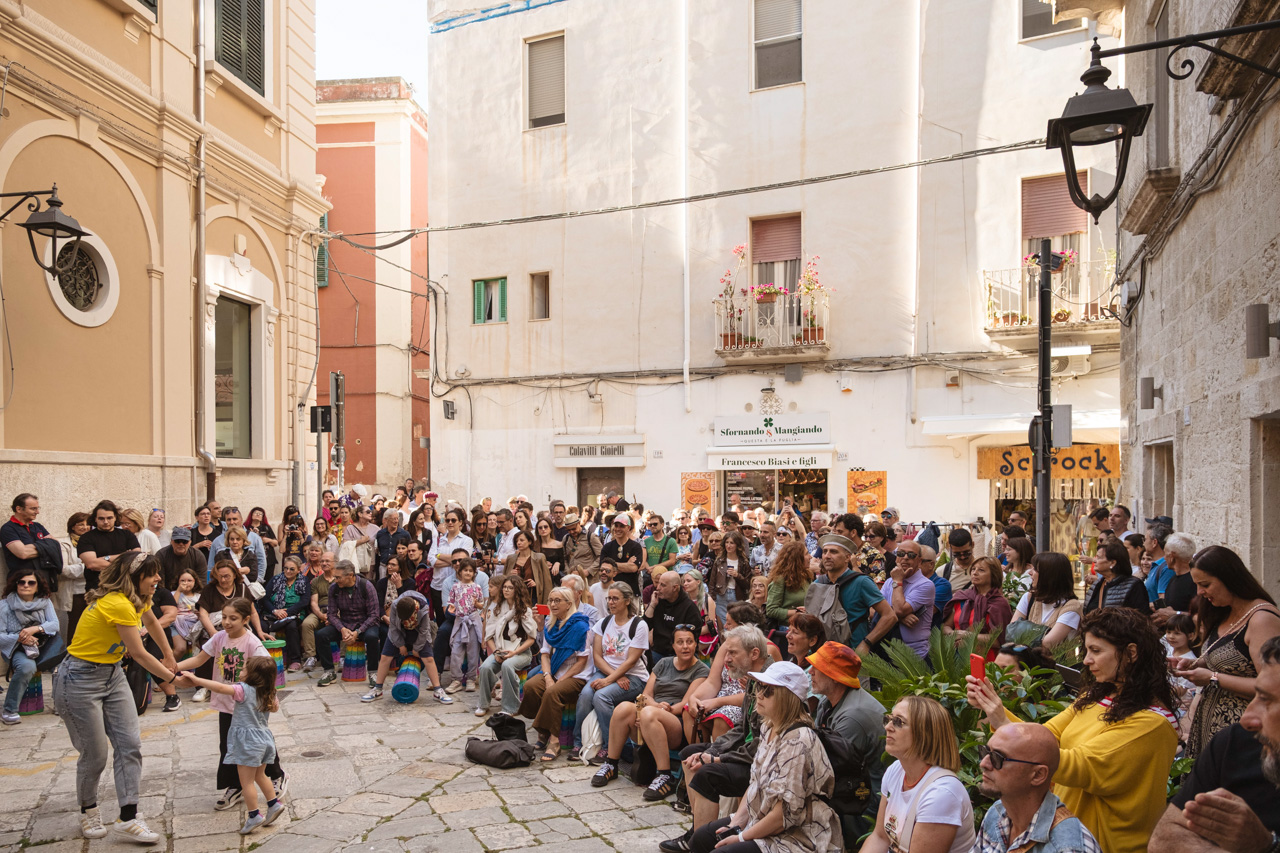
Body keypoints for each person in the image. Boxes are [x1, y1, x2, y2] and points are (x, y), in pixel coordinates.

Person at [968, 606, 1179, 853]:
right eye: (1087, 650)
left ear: (1131, 653)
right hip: (1062, 832)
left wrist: (1001, 719)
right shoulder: (1096, 696)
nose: (1086, 660)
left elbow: (1079, 766)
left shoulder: (1153, 724)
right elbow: (1044, 737)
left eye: (1096, 651)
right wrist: (994, 709)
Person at [56, 552, 177, 843]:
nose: (158, 579)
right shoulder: (118, 603)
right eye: (152, 574)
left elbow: (152, 622)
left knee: (130, 745)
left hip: (112, 674)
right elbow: (139, 653)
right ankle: (88, 809)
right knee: (95, 755)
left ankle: (129, 817)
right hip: (79, 679)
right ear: (135, 577)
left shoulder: (137, 599)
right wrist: (172, 678)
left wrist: (169, 654)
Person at [682, 661, 842, 853]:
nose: (758, 694)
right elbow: (755, 784)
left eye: (768, 690)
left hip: (797, 835)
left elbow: (784, 816)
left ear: (787, 697)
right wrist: (735, 824)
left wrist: (741, 837)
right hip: (762, 815)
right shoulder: (768, 726)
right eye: (758, 686)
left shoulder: (798, 741)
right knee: (701, 838)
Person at [1150, 635, 1280, 852]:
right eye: (1256, 694)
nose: (1247, 719)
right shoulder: (1235, 743)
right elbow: (1164, 839)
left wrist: (1267, 847)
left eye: (1267, 700)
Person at [175, 596, 289, 811]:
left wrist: (270, 697)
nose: (227, 622)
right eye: (224, 617)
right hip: (226, 701)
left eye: (233, 618)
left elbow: (268, 670)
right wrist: (174, 667)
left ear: (245, 619)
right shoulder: (219, 638)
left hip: (248, 705)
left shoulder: (252, 643)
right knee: (228, 746)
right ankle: (235, 785)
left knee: (257, 743)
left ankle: (277, 774)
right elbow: (199, 660)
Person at [663, 626, 771, 847]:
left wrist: (717, 759)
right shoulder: (754, 678)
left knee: (706, 773)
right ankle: (697, 832)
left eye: (733, 653)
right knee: (689, 755)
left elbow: (763, 745)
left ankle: (703, 843)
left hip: (762, 765)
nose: (726, 659)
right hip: (748, 754)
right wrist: (711, 751)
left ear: (754, 654)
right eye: (726, 652)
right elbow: (742, 729)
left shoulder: (770, 684)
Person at [1176, 545, 1280, 759]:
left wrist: (1212, 678)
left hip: (1242, 737)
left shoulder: (1261, 619)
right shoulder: (1224, 611)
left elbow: (1271, 687)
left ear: (1229, 578)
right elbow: (1232, 659)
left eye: (1205, 585)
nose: (1200, 592)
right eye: (1197, 585)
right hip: (1212, 733)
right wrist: (1197, 664)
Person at [592, 624, 710, 800]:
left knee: (648, 714)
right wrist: (654, 707)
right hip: (652, 712)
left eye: (689, 642)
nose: (685, 646)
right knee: (623, 708)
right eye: (680, 642)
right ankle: (611, 764)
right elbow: (646, 695)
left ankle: (665, 776)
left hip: (677, 722)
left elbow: (686, 703)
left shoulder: (701, 670)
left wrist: (656, 710)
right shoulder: (663, 663)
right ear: (673, 645)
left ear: (695, 644)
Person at [176, 657, 286, 834]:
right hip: (265, 739)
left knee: (246, 782)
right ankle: (274, 804)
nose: (240, 672)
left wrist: (197, 680)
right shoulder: (269, 692)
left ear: (253, 675)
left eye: (244, 669)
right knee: (261, 775)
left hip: (248, 743)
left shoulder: (243, 690)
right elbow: (274, 708)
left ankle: (254, 815)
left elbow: (219, 688)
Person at [861, 695, 976, 853]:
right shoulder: (896, 770)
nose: (888, 727)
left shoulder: (941, 793)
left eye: (898, 722)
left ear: (924, 734)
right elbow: (880, 837)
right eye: (889, 719)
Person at [974, 722, 1102, 853]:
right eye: (984, 752)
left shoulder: (1068, 847)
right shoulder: (997, 814)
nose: (983, 763)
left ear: (1038, 775)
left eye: (997, 758)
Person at [806, 641, 885, 837]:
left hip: (865, 805)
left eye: (817, 667)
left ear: (835, 677)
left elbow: (827, 771)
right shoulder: (827, 701)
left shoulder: (852, 717)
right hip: (849, 788)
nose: (810, 672)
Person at [517, 586, 591, 761]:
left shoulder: (580, 626)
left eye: (557, 601)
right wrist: (548, 676)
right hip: (555, 671)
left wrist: (559, 680)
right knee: (530, 686)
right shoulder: (551, 624)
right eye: (550, 600)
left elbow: (581, 662)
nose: (553, 604)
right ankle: (543, 730)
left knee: (552, 692)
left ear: (569, 604)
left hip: (576, 675)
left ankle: (554, 741)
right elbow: (544, 655)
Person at [579, 582, 650, 765]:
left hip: (634, 677)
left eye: (615, 598)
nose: (610, 602)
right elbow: (597, 656)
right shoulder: (603, 623)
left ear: (627, 601)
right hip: (609, 672)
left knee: (601, 697)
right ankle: (579, 742)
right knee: (586, 694)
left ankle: (613, 747)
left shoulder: (638, 625)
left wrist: (610, 680)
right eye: (609, 598)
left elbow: (631, 660)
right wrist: (614, 677)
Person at [361, 589, 450, 704]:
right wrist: (401, 645)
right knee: (385, 657)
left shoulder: (423, 608)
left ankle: (438, 690)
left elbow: (424, 631)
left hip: (418, 633)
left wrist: (417, 648)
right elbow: (393, 628)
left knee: (429, 659)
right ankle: (377, 689)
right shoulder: (395, 606)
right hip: (398, 632)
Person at [813, 534, 896, 656]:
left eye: (833, 552)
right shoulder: (818, 584)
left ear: (847, 558)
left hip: (854, 654)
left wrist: (867, 643)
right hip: (823, 653)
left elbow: (890, 616)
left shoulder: (861, 582)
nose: (827, 556)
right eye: (825, 552)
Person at [0, 567, 63, 725]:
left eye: (31, 583)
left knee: (64, 666)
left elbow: (54, 624)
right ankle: (9, 710)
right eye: (21, 582)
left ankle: (60, 704)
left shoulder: (45, 602)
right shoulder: (4, 605)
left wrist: (35, 629)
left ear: (37, 586)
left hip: (43, 645)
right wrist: (21, 638)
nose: (26, 585)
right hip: (17, 648)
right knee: (27, 667)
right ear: (16, 584)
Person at [475, 575, 538, 717]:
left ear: (517, 590)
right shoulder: (498, 609)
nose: (506, 590)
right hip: (501, 650)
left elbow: (531, 639)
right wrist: (497, 652)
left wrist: (513, 653)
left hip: (521, 652)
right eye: (504, 587)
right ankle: (483, 704)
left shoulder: (524, 610)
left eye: (510, 587)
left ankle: (510, 707)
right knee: (485, 667)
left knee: (507, 665)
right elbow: (489, 636)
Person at [314, 560, 381, 687]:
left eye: (338, 577)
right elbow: (331, 614)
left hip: (365, 625)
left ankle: (373, 672)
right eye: (335, 577)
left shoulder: (366, 586)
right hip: (345, 624)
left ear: (350, 575)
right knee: (321, 635)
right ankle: (329, 671)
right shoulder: (334, 588)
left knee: (372, 637)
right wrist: (342, 629)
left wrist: (358, 632)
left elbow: (374, 615)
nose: (336, 580)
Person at [76, 500, 140, 629]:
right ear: (95, 519)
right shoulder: (86, 538)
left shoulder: (127, 535)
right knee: (99, 627)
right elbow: (92, 564)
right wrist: (124, 558)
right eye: (101, 518)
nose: (106, 522)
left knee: (129, 626)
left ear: (116, 517)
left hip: (126, 588)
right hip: (98, 590)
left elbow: (137, 559)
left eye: (109, 518)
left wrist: (107, 558)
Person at [1011, 552, 1083, 649]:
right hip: (1024, 658)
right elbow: (1011, 631)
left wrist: (1023, 633)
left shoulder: (1072, 606)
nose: (1029, 572)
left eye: (1035, 569)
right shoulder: (1029, 597)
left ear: (1049, 576)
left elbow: (1048, 643)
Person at [944, 556, 1012, 652]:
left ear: (994, 575)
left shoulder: (999, 604)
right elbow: (946, 626)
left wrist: (967, 636)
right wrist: (953, 635)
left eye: (981, 570)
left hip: (986, 658)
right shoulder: (963, 597)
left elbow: (999, 640)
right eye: (973, 569)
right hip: (956, 655)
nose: (975, 573)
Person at [880, 539, 934, 658]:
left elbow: (900, 609)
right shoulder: (889, 582)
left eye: (911, 555)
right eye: (900, 554)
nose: (905, 558)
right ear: (896, 558)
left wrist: (898, 581)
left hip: (915, 655)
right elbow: (873, 611)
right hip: (887, 650)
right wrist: (901, 619)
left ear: (919, 561)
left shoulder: (926, 585)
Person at [261, 556, 310, 670]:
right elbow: (265, 599)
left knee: (291, 626)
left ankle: (295, 660)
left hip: (294, 614)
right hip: (274, 613)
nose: (288, 571)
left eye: (292, 569)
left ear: (299, 570)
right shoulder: (275, 579)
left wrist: (287, 612)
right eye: (285, 568)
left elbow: (304, 601)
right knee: (262, 626)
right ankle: (263, 659)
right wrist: (275, 611)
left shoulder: (304, 581)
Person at [646, 569, 704, 663]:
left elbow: (692, 638)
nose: (658, 588)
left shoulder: (689, 608)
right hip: (658, 651)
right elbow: (645, 626)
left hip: (679, 654)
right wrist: (652, 605)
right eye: (658, 583)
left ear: (675, 588)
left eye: (663, 585)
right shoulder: (657, 601)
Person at [445, 559, 485, 693]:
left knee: (473, 651)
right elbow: (451, 603)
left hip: (473, 621)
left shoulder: (477, 587)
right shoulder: (455, 587)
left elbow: (481, 605)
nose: (468, 573)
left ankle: (471, 678)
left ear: (474, 573)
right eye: (465, 570)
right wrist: (452, 609)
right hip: (460, 621)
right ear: (460, 571)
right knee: (456, 650)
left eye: (470, 571)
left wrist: (476, 604)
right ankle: (456, 679)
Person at [2, 494, 56, 587]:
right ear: (19, 509)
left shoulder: (38, 526)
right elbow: (23, 553)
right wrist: (47, 547)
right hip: (22, 583)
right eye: (33, 509)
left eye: (38, 508)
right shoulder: (8, 529)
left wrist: (35, 548)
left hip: (43, 580)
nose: (37, 512)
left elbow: (56, 546)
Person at [1082, 541, 1149, 615]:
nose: (1094, 560)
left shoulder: (1134, 585)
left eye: (1099, 557)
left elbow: (1141, 616)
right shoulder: (1097, 584)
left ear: (1113, 563)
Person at [206, 508, 267, 582]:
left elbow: (261, 561)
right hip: (225, 584)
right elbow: (211, 566)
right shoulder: (217, 541)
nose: (232, 522)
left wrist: (258, 580)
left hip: (249, 583)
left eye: (235, 519)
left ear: (241, 519)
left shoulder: (255, 538)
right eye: (229, 520)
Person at [764, 541, 811, 632]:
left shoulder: (807, 576)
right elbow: (771, 610)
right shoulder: (780, 580)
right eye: (806, 554)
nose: (810, 556)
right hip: (787, 629)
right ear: (797, 559)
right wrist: (796, 613)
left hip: (805, 627)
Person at [1152, 532, 1197, 627]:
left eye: (1165, 554)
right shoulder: (1174, 578)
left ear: (1172, 557)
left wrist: (1176, 614)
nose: (1164, 558)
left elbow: (1201, 616)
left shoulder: (1195, 582)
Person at [300, 552, 335, 671]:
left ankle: (342, 656)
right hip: (320, 610)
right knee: (307, 623)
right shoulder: (316, 581)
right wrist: (321, 615)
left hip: (337, 611)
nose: (324, 563)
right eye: (322, 561)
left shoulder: (339, 579)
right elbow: (314, 602)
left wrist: (332, 616)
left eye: (327, 561)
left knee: (345, 620)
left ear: (335, 563)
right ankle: (311, 657)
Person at [505, 529, 553, 605]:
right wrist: (510, 575)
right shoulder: (511, 558)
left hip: (532, 598)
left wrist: (536, 584)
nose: (518, 543)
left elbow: (547, 582)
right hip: (515, 598)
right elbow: (504, 579)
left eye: (521, 540)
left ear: (530, 541)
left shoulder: (539, 558)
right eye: (517, 541)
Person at [601, 514, 645, 596]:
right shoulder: (607, 547)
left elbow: (633, 568)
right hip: (611, 592)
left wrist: (611, 566)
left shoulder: (635, 546)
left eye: (622, 526)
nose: (618, 529)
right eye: (616, 526)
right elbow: (603, 568)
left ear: (628, 528)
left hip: (631, 592)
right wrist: (627, 564)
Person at [156, 526, 205, 591]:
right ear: (171, 541)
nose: (181, 544)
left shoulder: (198, 556)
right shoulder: (161, 555)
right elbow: (159, 583)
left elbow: (202, 583)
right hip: (167, 593)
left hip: (192, 594)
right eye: (177, 541)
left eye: (185, 541)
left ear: (190, 542)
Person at [170, 568, 203, 660]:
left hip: (194, 626)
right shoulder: (173, 594)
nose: (186, 583)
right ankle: (166, 666)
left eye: (189, 580)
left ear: (195, 582)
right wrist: (178, 591)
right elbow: (171, 607)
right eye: (182, 581)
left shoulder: (199, 597)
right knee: (181, 648)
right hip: (176, 625)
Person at [919, 544, 952, 629]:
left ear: (931, 565)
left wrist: (901, 615)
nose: (912, 564)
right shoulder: (905, 581)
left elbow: (924, 614)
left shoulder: (942, 584)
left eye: (919, 561)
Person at [943, 527, 977, 591]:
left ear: (972, 545)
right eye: (957, 554)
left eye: (966, 553)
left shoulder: (985, 569)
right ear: (951, 549)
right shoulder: (943, 571)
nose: (962, 557)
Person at [535, 517, 565, 583]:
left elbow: (563, 563)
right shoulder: (534, 546)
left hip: (555, 577)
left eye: (545, 527)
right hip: (539, 578)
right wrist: (543, 564)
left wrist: (557, 563)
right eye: (540, 528)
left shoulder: (559, 544)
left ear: (550, 528)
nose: (543, 529)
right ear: (537, 531)